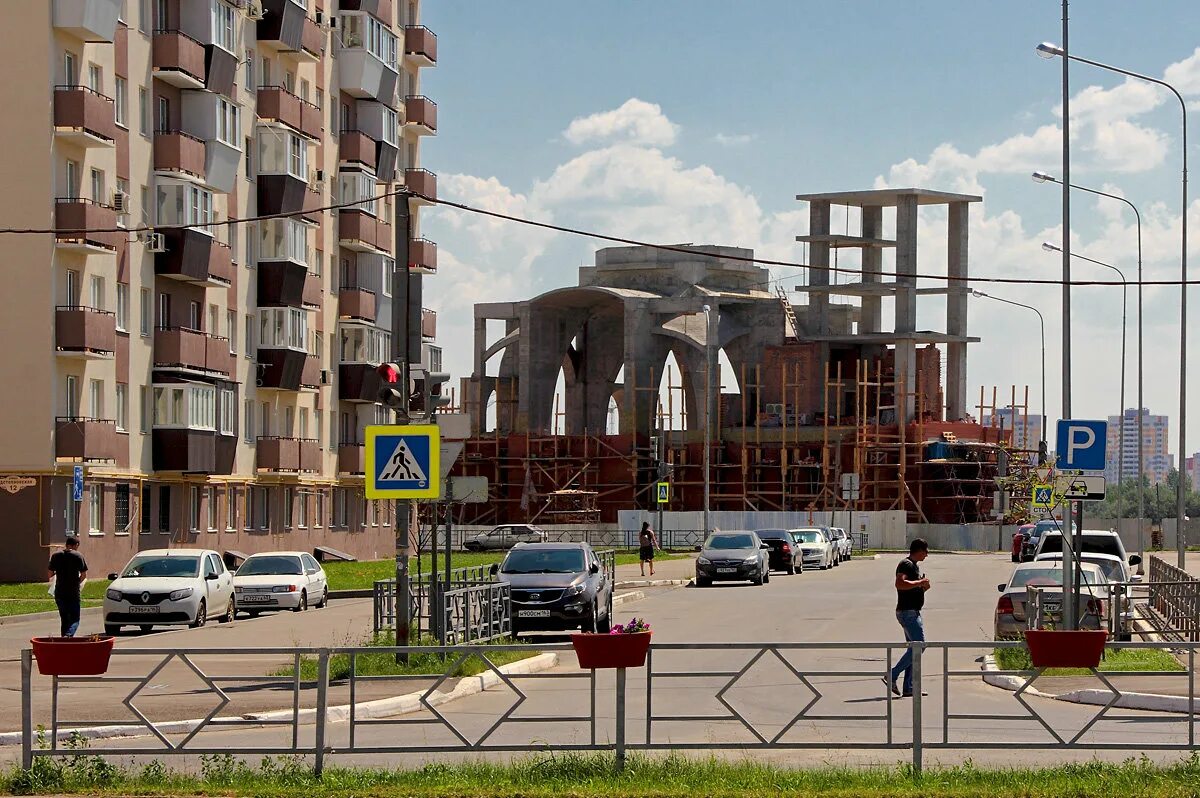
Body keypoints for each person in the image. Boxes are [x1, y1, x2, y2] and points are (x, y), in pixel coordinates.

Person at [885, 538, 930, 698]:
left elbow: (911, 588)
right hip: (908, 612)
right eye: (926, 551)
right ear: (919, 550)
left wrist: (923, 587)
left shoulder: (914, 566)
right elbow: (900, 584)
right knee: (920, 646)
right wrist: (919, 582)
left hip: (912, 611)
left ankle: (909, 687)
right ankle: (892, 674)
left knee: (913, 649)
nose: (927, 555)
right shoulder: (906, 564)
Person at [48, 536, 88, 638]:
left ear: (66, 544)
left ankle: (64, 640)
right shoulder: (78, 556)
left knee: (64, 618)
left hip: (60, 592)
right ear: (75, 545)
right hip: (73, 592)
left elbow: (49, 574)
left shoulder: (56, 556)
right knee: (75, 618)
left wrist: (59, 571)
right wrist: (77, 582)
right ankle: (68, 636)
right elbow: (83, 575)